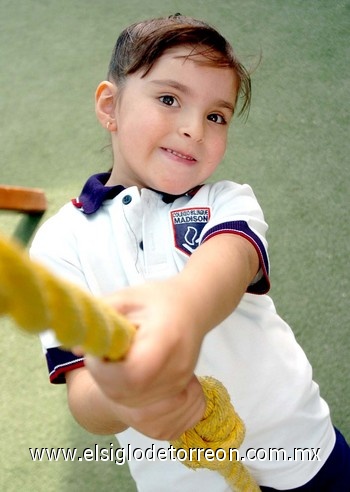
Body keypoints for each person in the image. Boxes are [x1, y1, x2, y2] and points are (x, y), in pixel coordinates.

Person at [30, 14, 350, 492]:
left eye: (215, 116)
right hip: (182, 480)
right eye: (169, 99)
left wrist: (183, 309)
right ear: (110, 105)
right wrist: (125, 402)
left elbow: (231, 259)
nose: (194, 128)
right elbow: (83, 395)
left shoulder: (227, 200)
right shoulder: (60, 244)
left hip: (300, 443)